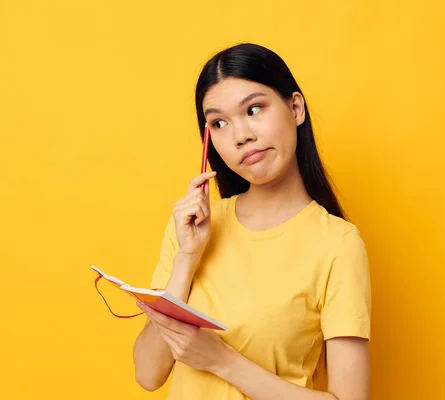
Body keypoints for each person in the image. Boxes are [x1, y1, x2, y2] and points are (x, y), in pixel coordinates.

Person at [132, 43, 372, 400]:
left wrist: (222, 361)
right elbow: (149, 373)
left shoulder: (337, 243)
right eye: (219, 122)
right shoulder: (193, 228)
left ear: (295, 107)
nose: (241, 135)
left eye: (254, 109)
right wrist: (187, 257)